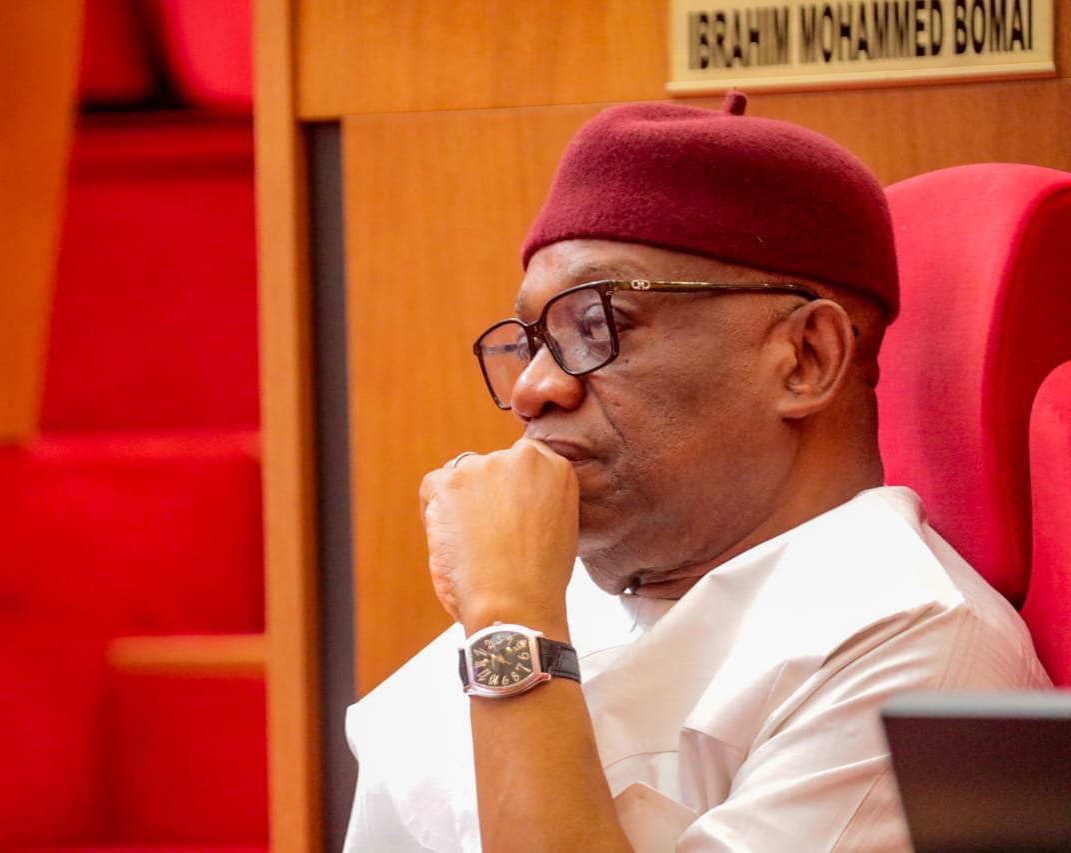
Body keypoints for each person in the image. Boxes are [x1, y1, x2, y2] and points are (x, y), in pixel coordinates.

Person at [341, 91, 1051, 852]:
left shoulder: (910, 644)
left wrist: (511, 624)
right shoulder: (555, 581)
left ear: (805, 358)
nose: (534, 389)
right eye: (533, 341)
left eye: (599, 324)